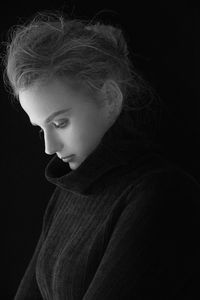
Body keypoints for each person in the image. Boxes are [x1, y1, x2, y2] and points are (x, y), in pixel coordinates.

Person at [2, 10, 200, 300]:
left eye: (59, 123)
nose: (49, 147)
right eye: (40, 128)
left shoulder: (161, 194)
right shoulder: (71, 188)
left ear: (109, 99)